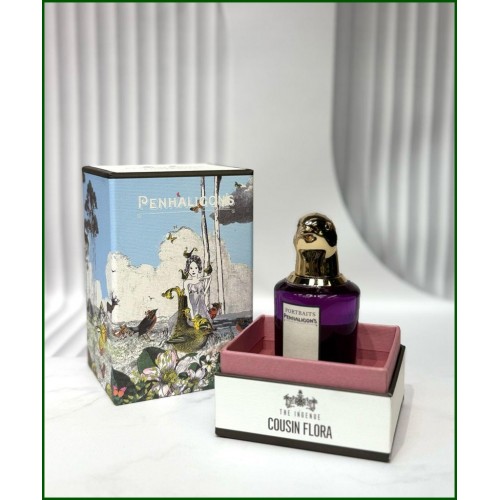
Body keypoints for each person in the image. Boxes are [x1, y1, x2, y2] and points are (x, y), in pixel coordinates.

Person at [182, 254, 212, 323]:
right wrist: (192, 316)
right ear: (188, 269)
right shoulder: (187, 282)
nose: (193, 270)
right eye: (191, 268)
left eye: (195, 268)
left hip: (202, 309)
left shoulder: (201, 280)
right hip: (192, 308)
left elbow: (209, 278)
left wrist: (204, 292)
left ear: (198, 268)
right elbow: (188, 300)